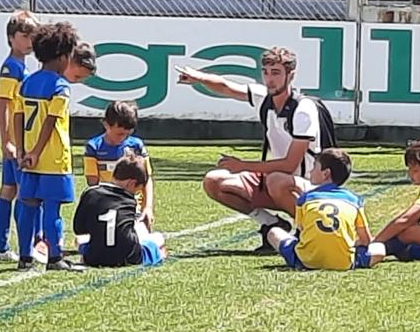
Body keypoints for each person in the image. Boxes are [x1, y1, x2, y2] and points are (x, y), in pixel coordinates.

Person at [176, 47, 336, 252]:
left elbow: (290, 165)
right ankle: (272, 224)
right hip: (277, 182)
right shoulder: (263, 98)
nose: (270, 79)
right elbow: (227, 87)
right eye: (266, 72)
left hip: (309, 187)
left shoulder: (303, 109)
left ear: (291, 75)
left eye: (276, 73)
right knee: (214, 181)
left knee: (276, 179)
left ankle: (307, 228)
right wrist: (200, 77)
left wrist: (242, 166)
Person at [13, 22, 84, 272]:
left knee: (28, 206)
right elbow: (51, 122)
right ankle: (54, 258)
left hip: (29, 159)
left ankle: (25, 257)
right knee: (52, 209)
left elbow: (18, 116)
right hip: (52, 159)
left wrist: (22, 150)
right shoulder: (60, 86)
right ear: (64, 57)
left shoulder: (27, 83)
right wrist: (37, 152)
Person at [263, 148, 372, 271]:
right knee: (379, 248)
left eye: (314, 167)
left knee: (273, 233)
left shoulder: (305, 199)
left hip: (306, 261)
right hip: (343, 263)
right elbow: (366, 240)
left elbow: (301, 234)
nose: (310, 171)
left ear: (326, 173)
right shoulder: (355, 200)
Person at [0, 11, 41, 263]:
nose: (30, 40)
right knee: (23, 192)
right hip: (16, 143)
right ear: (11, 38)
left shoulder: (21, 66)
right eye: (24, 35)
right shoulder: (11, 68)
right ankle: (26, 246)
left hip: (17, 141)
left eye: (33, 34)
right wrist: (7, 140)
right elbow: (2, 105)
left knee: (8, 190)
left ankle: (0, 247)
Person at [73, 155, 166, 268]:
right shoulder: (129, 200)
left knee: (79, 240)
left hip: (95, 258)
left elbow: (79, 229)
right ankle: (159, 254)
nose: (135, 193)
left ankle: (88, 256)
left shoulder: (90, 193)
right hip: (129, 257)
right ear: (131, 183)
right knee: (158, 238)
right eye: (137, 190)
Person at [83, 101, 155, 230]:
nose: (123, 138)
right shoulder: (94, 147)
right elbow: (93, 183)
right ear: (106, 124)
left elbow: (147, 178)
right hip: (107, 206)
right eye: (120, 134)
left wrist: (147, 207)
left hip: (134, 207)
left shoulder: (136, 146)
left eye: (128, 134)